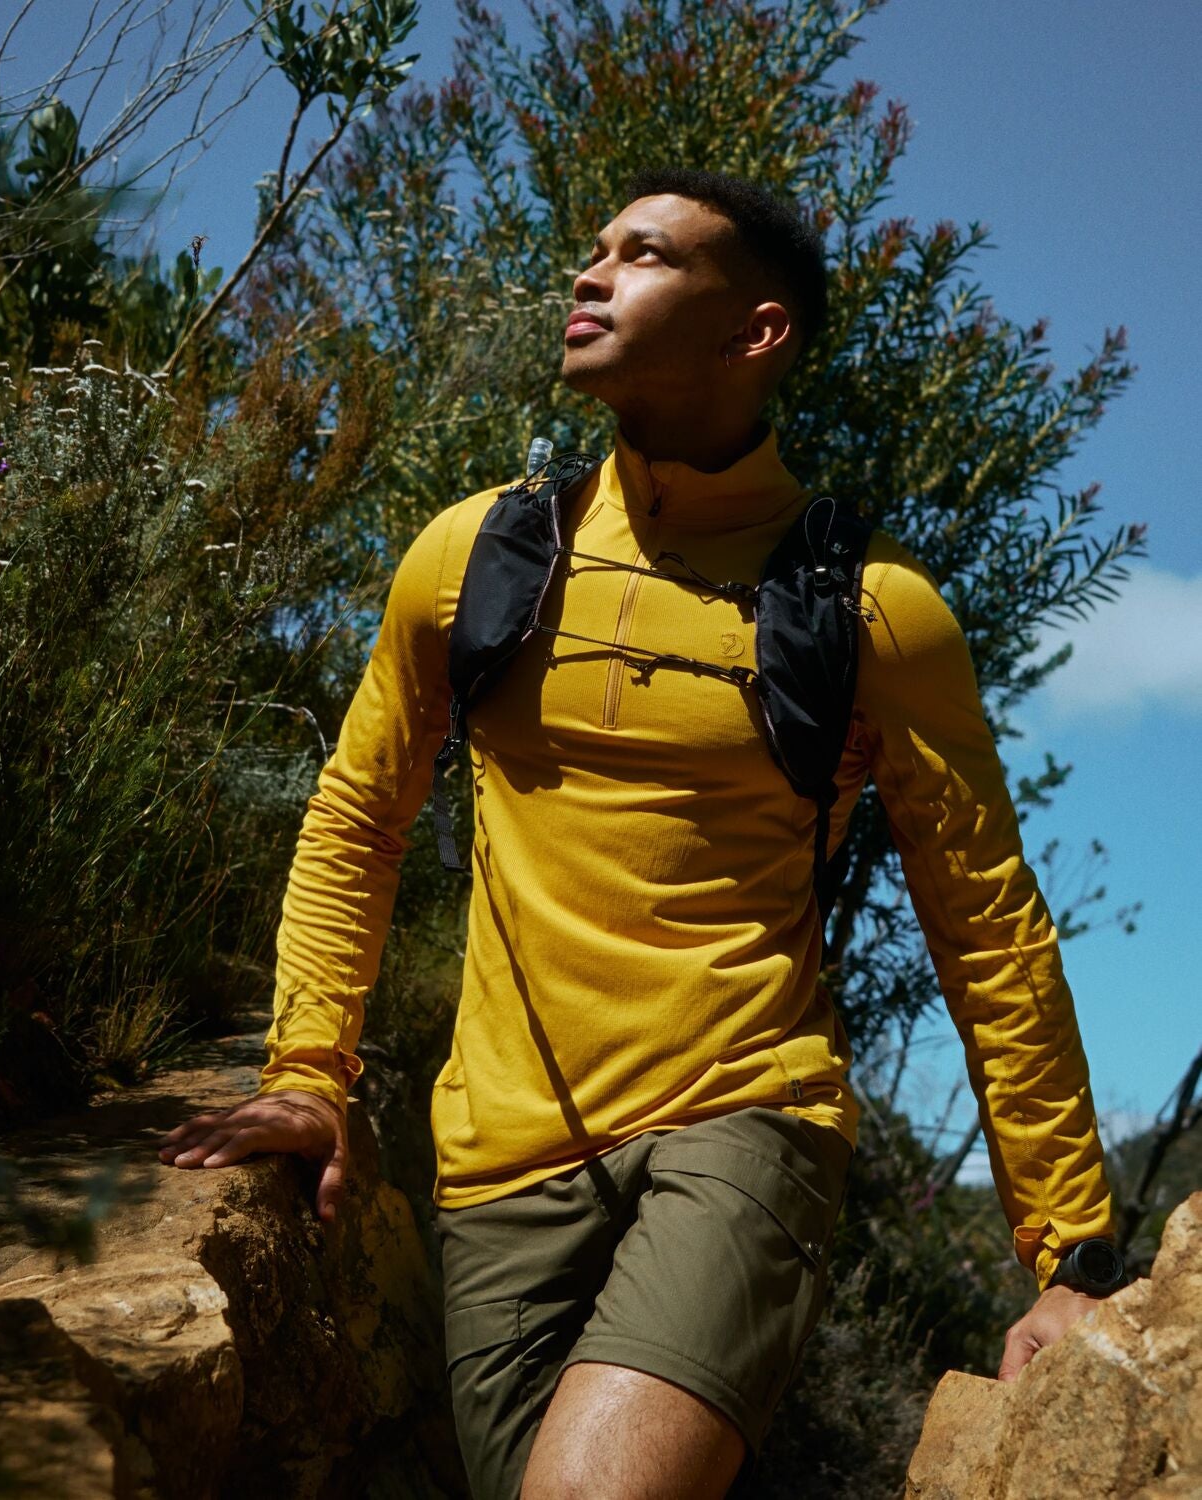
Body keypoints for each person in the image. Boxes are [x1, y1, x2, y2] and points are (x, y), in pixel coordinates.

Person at [160, 167, 1120, 1499]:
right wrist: (310, 1071)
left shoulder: (875, 611)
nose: (591, 274)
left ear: (756, 332)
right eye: (595, 250)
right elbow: (357, 817)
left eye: (646, 256)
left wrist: (1069, 1256)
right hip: (500, 1163)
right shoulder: (472, 557)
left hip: (744, 1114)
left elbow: (989, 929)